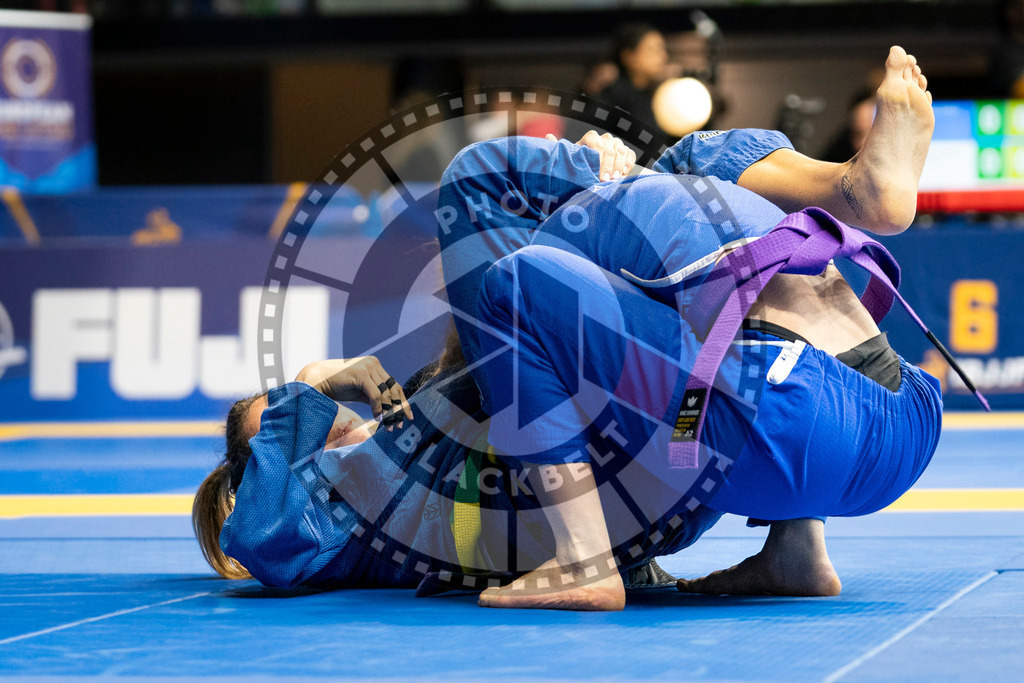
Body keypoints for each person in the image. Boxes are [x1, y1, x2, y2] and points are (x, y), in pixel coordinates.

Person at [194, 46, 940, 610]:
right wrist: (316, 380)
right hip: (738, 451)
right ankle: (591, 557)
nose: (330, 422)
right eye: (289, 432)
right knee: (515, 253)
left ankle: (795, 543)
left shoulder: (421, 417)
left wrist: (602, 190)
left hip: (720, 449)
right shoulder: (342, 508)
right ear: (269, 465)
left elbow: (515, 365)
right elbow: (259, 535)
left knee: (674, 176)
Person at [597, 24, 669, 137]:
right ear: (629, 57)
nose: (663, 56)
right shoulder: (611, 98)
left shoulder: (663, 94)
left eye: (662, 49)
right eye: (652, 50)